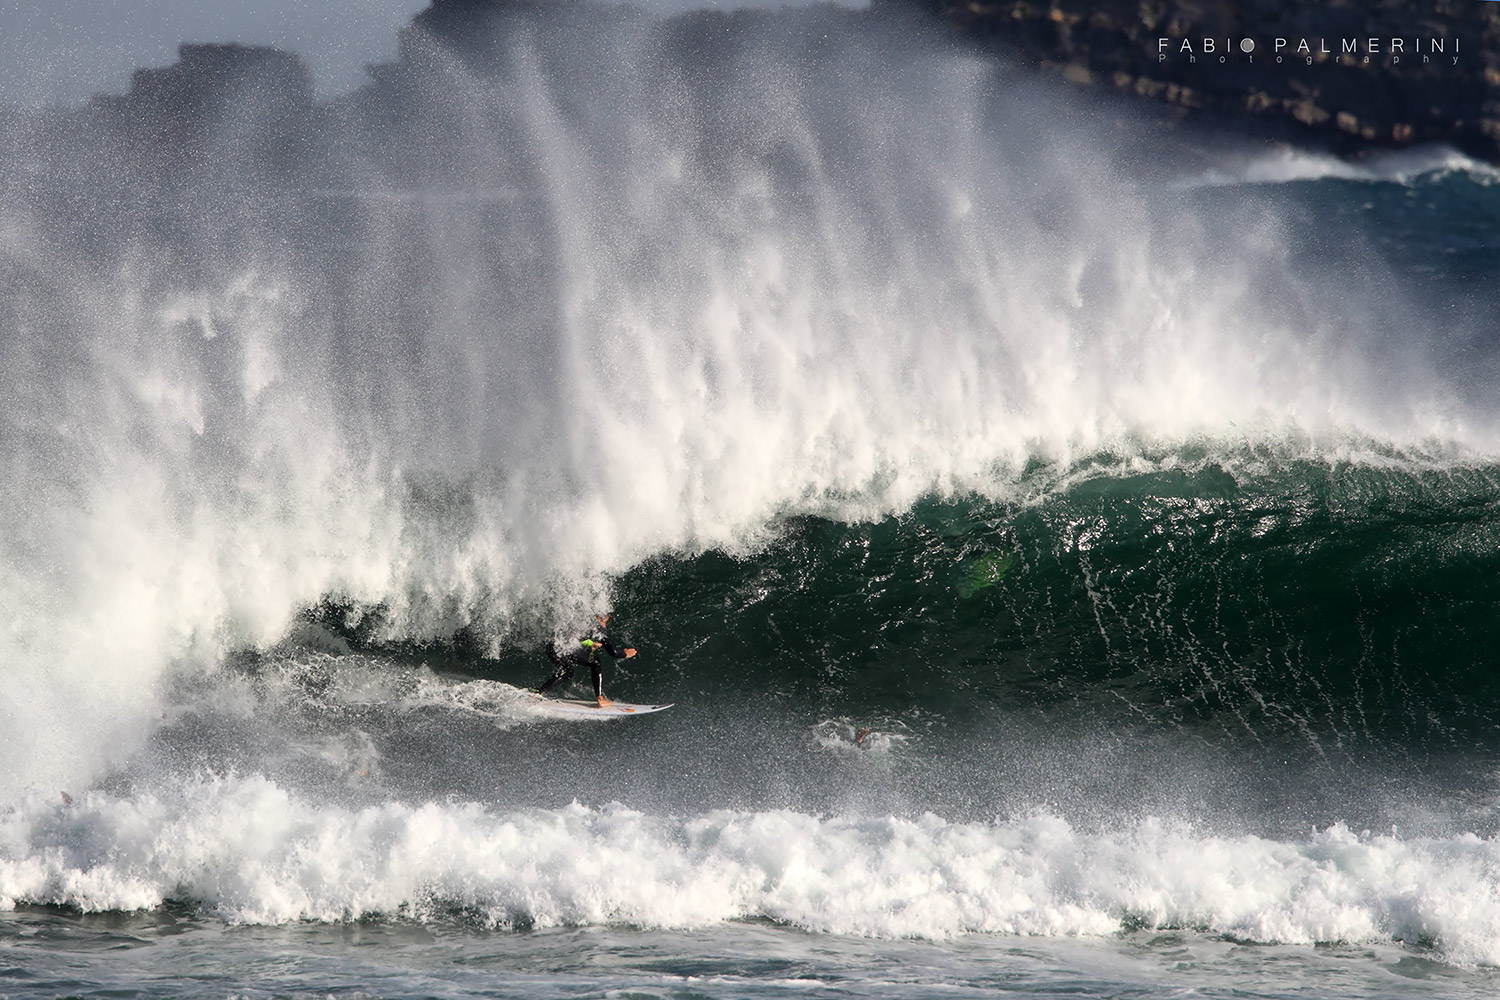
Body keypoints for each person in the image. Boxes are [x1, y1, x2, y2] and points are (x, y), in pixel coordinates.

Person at [535, 615, 636, 707]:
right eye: (606, 619)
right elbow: (614, 653)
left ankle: (538, 693)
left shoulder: (581, 617)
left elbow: (572, 635)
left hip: (551, 646)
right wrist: (625, 654)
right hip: (564, 646)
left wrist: (590, 643)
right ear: (601, 618)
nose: (606, 622)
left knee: (568, 671)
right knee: (596, 663)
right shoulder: (598, 627)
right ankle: (600, 698)